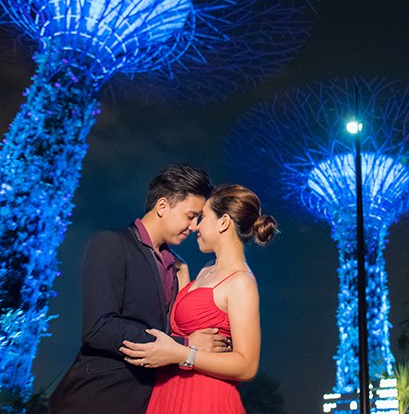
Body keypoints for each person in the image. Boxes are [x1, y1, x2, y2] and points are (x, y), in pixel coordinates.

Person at [50, 163, 228, 414]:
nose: (195, 226)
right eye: (190, 216)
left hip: (149, 402)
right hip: (96, 399)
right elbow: (99, 328)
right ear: (163, 206)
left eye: (198, 218)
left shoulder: (177, 267)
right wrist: (185, 345)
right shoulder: (111, 244)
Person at [120, 184, 277, 414]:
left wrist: (183, 353)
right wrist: (181, 270)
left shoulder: (241, 282)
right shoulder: (205, 271)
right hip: (169, 394)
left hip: (206, 400)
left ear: (223, 222)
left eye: (203, 217)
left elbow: (247, 366)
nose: (195, 227)